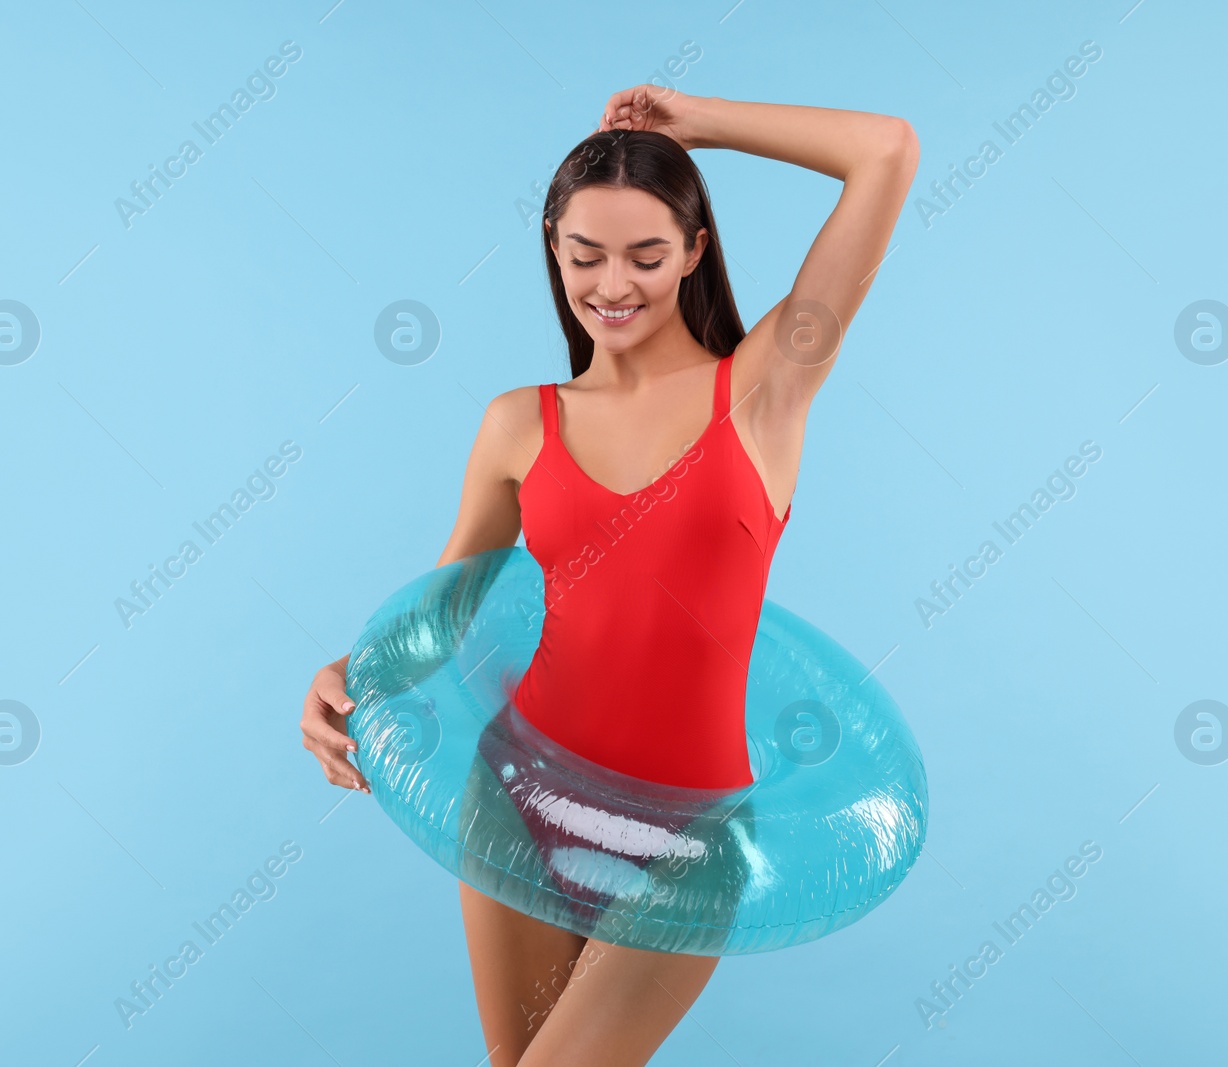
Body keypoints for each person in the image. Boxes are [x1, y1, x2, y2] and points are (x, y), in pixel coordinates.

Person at [300, 84, 918, 1067]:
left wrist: (695, 124)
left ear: (695, 251)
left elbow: (884, 150)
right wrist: (346, 674)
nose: (612, 284)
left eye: (646, 254)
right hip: (517, 790)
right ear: (552, 249)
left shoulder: (762, 390)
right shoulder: (519, 421)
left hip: (686, 836)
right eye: (585, 255)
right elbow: (445, 610)